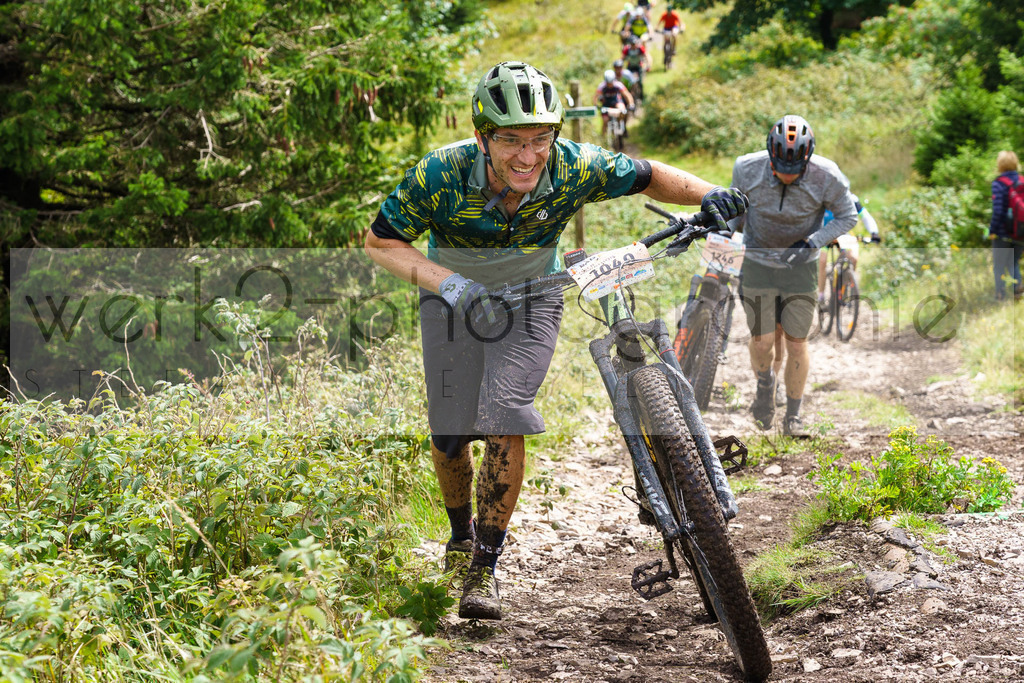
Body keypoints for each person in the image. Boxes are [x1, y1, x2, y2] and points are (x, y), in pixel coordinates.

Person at [363, 61, 748, 621]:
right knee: (450, 436)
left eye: (540, 139)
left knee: (506, 411)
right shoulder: (439, 174)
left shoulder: (574, 167)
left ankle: (484, 570)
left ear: (555, 137)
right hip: (452, 298)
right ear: (481, 138)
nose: (527, 156)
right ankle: (459, 536)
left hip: (534, 296)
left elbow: (647, 174)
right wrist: (452, 284)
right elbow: (379, 242)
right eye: (511, 141)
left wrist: (713, 195)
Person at [728, 115, 857, 436]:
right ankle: (764, 386)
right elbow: (734, 211)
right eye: (780, 168)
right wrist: (725, 236)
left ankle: (794, 418)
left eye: (793, 170)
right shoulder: (746, 168)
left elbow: (848, 215)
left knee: (797, 343)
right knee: (762, 341)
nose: (786, 175)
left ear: (807, 159)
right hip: (758, 262)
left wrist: (812, 241)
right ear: (770, 157)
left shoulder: (828, 176)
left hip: (801, 268)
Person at [770, 194, 879, 405]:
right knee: (820, 261)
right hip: (822, 236)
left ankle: (846, 284)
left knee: (853, 257)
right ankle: (820, 295)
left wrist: (873, 232)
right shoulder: (819, 199)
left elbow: (865, 216)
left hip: (844, 236)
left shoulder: (850, 199)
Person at [990, 150, 1023, 302]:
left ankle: (1000, 296)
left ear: (1000, 164)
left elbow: (998, 211)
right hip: (1021, 231)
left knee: (999, 265)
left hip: (1003, 232)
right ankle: (1017, 291)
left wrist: (993, 231)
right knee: (1013, 261)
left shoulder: (998, 183)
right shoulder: (1022, 181)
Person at [594, 69, 634, 138]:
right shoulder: (602, 86)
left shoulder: (618, 85)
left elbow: (627, 95)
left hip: (616, 102)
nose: (609, 85)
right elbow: (596, 96)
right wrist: (596, 105)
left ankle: (621, 126)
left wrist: (631, 104)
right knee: (605, 121)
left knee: (622, 110)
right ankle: (603, 139)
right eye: (608, 83)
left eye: (611, 82)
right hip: (606, 104)